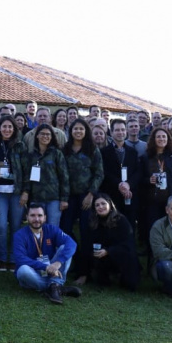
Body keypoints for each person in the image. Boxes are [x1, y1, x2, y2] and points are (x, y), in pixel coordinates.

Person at [12, 203, 81, 303]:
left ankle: (53, 286)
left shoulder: (51, 229)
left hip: (52, 268)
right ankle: (55, 287)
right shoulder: (19, 235)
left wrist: (58, 262)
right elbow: (20, 259)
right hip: (34, 271)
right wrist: (45, 267)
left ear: (45, 217)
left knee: (64, 248)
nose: (36, 219)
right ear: (27, 217)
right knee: (22, 270)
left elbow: (71, 243)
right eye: (32, 215)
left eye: (40, 215)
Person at [62, 119, 103, 283]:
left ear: (86, 131)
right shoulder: (65, 149)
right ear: (71, 131)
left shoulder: (92, 149)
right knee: (65, 230)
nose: (78, 131)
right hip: (68, 196)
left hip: (86, 197)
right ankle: (76, 261)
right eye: (75, 129)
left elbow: (99, 173)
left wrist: (91, 194)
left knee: (86, 232)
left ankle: (84, 273)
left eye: (81, 129)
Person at [0, 116, 26, 272]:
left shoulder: (20, 146)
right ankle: (2, 257)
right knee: (1, 226)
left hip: (16, 192)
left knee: (16, 226)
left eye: (10, 127)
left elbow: (26, 170)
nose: (7, 129)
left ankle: (14, 258)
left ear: (14, 129)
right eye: (4, 126)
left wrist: (25, 192)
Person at [17, 124, 69, 230]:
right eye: (42, 134)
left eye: (48, 134)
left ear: (51, 137)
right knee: (37, 227)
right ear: (37, 136)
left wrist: (64, 199)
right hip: (36, 197)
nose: (45, 136)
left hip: (54, 198)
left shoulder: (57, 154)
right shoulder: (31, 155)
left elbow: (64, 177)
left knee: (52, 228)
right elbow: (27, 176)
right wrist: (26, 192)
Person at [140, 126, 172, 230]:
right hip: (153, 203)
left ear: (168, 139)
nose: (161, 139)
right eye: (158, 136)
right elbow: (139, 179)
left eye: (164, 136)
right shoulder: (146, 157)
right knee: (154, 229)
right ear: (153, 139)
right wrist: (148, 181)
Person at [88, 194, 140, 291]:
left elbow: (128, 244)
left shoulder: (121, 220)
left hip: (123, 255)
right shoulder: (94, 222)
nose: (100, 207)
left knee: (130, 285)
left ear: (110, 205)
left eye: (103, 203)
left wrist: (108, 251)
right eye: (97, 205)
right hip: (104, 256)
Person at [99, 118, 140, 218]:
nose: (120, 132)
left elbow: (138, 172)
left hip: (129, 194)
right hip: (111, 194)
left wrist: (128, 184)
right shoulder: (104, 152)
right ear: (111, 132)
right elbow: (104, 172)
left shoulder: (133, 152)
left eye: (122, 129)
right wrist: (120, 184)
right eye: (117, 130)